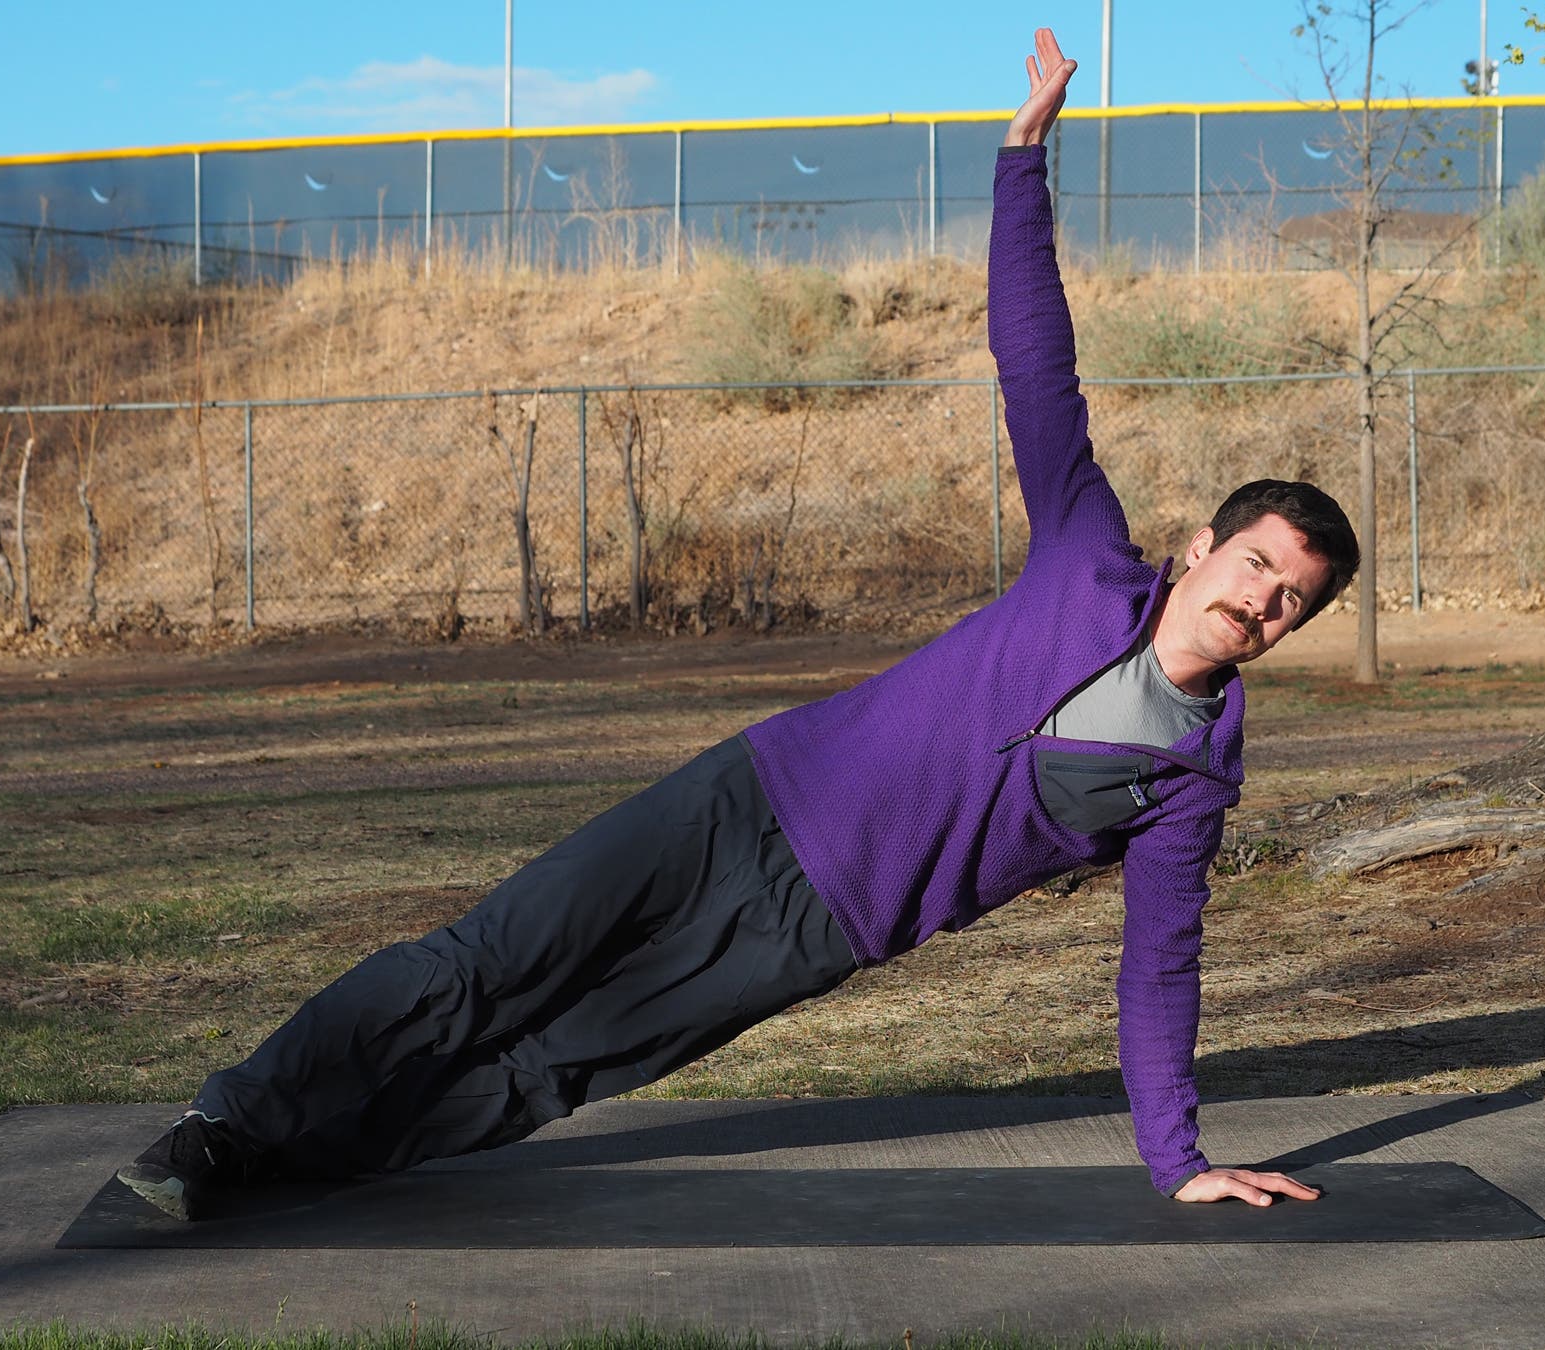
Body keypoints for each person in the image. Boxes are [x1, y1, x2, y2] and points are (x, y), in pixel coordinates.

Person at [115, 27, 1359, 1222]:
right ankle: (225, 1127)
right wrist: (1021, 161)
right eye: (1254, 564)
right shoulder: (1088, 561)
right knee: (482, 965)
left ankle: (295, 1163)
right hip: (746, 797)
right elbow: (1038, 366)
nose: (1259, 600)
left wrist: (1179, 1159)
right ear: (1202, 548)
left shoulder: (1187, 784)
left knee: (555, 1069)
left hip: (819, 929)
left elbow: (1157, 970)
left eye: (1288, 598)